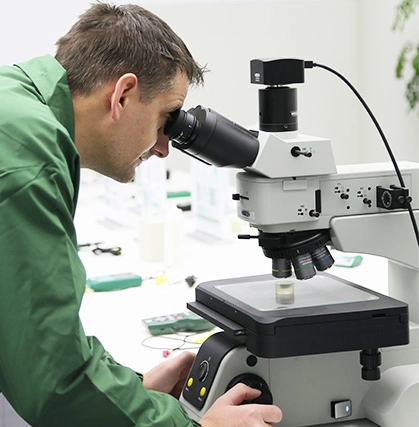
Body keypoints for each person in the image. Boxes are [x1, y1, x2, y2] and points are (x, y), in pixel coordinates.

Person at [0, 2, 283, 427]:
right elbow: (55, 381)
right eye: (166, 119)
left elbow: (25, 341)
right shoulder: (29, 152)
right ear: (123, 95)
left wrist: (133, 391)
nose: (165, 147)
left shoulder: (16, 103)